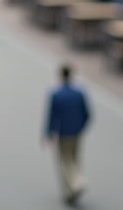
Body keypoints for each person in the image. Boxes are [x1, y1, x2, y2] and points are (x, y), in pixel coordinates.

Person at [44, 64, 91, 205]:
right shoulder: (79, 93)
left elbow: (52, 116)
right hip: (77, 133)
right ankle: (70, 192)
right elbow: (87, 114)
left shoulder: (56, 95)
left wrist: (49, 133)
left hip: (63, 133)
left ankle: (76, 183)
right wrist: (81, 127)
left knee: (64, 162)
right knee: (75, 160)